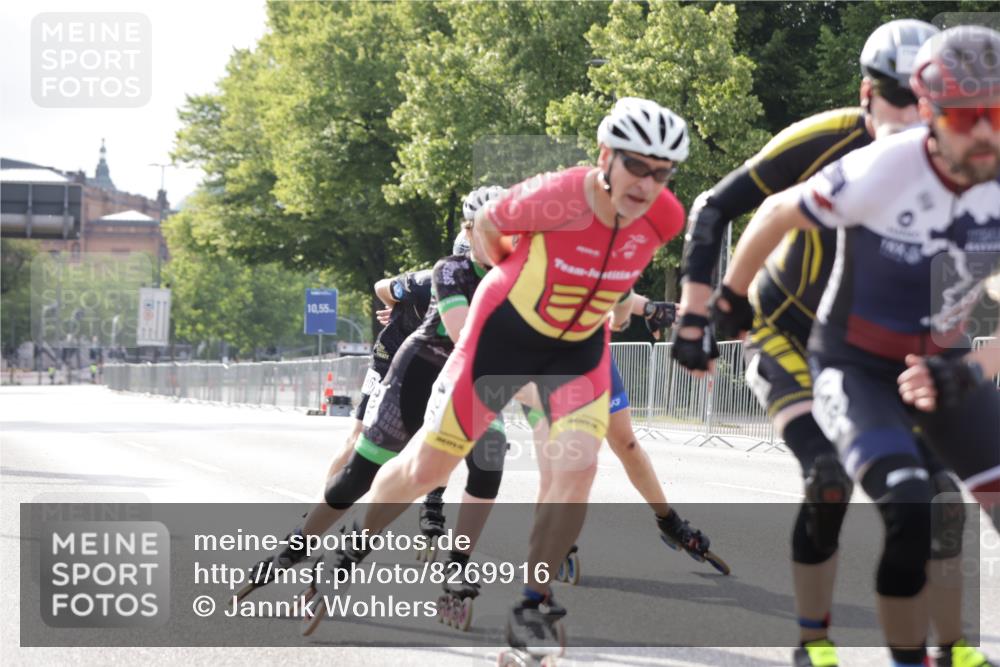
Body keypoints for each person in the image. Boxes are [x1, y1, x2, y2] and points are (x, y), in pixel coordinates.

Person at [674, 19, 981, 667]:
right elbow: (714, 206)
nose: (910, 116)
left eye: (923, 102)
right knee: (828, 479)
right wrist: (698, 315)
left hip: (891, 353)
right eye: (896, 98)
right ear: (866, 93)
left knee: (941, 501)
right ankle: (813, 643)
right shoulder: (826, 141)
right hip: (787, 333)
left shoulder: (955, 157)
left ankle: (954, 647)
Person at [343, 97, 688, 653]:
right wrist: (513, 267)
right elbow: (487, 224)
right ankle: (356, 541)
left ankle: (533, 605)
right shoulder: (559, 194)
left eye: (662, 173)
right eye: (636, 166)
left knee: (577, 471)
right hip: (506, 334)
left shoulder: (665, 216)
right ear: (606, 156)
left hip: (575, 349)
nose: (648, 184)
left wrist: (628, 305)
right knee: (430, 467)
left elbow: (624, 272)